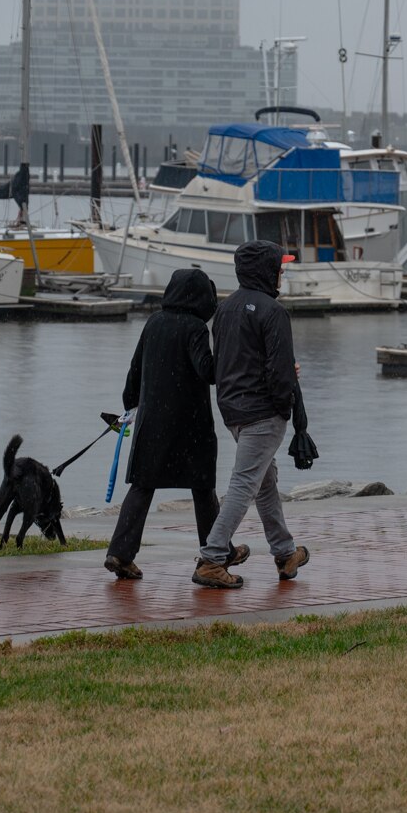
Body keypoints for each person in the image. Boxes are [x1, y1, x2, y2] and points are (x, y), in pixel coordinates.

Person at [194, 239, 310, 589]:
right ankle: (212, 558)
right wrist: (284, 402)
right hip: (263, 411)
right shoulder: (274, 312)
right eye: (280, 268)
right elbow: (277, 372)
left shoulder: (225, 309)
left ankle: (284, 551)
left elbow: (227, 364)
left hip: (232, 410)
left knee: (264, 480)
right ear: (266, 271)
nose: (282, 273)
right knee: (245, 483)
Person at [105, 268, 222, 580]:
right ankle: (217, 551)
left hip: (152, 422)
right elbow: (207, 372)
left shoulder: (154, 322)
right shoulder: (196, 328)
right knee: (203, 487)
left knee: (142, 486)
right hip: (190, 424)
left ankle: (120, 552)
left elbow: (135, 368)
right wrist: (224, 349)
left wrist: (130, 401)